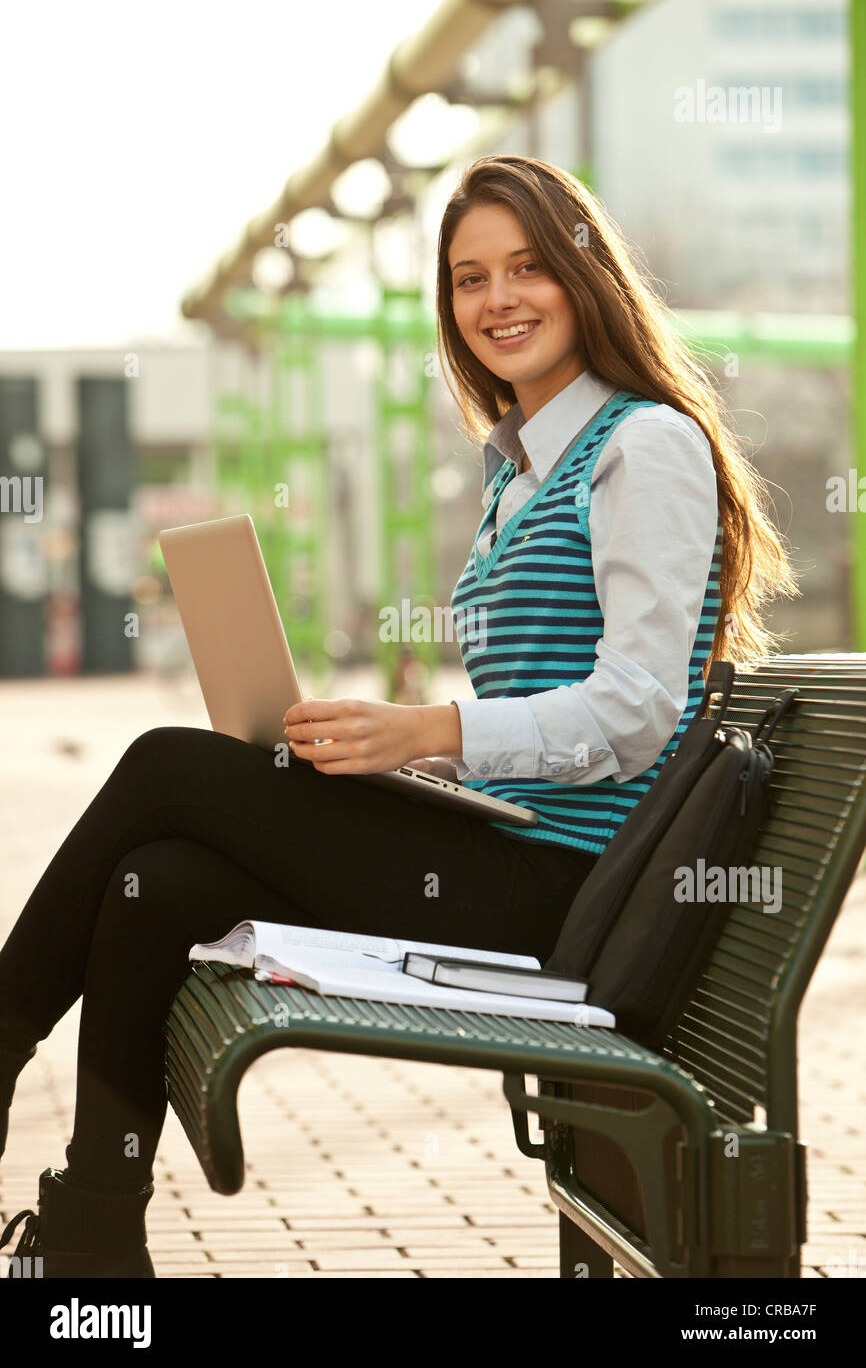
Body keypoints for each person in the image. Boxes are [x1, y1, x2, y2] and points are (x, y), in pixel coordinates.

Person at [0, 154, 798, 1278]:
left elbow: (634, 711)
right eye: (469, 278)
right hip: (503, 848)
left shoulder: (640, 446)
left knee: (166, 766)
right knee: (160, 881)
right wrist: (412, 769)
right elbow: (546, 710)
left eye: (527, 267)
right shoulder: (518, 465)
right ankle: (91, 1231)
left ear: (584, 277)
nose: (497, 299)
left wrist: (424, 732)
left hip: (561, 895)